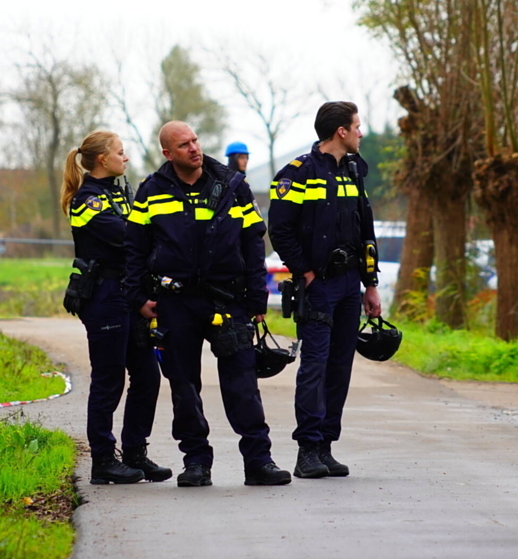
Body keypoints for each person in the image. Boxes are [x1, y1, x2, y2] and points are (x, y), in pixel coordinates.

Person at [124, 121, 290, 487]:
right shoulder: (151, 191)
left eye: (195, 140)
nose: (194, 148)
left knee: (242, 383)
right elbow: (134, 250)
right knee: (184, 387)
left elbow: (252, 241)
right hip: (176, 301)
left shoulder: (232, 185)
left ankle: (259, 462)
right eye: (184, 145)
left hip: (229, 298)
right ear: (168, 153)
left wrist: (256, 296)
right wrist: (139, 298)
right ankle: (196, 462)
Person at [268, 101, 382, 479]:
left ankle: (326, 446)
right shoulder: (298, 173)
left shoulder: (353, 172)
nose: (361, 133)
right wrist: (306, 271)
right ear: (341, 132)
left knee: (340, 367)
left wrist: (371, 285)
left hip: (351, 285)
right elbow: (280, 228)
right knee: (314, 366)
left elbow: (366, 231)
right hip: (318, 286)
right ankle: (307, 451)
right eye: (357, 126)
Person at [61, 131, 170, 485]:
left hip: (129, 295)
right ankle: (103, 460)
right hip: (105, 296)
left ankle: (135, 454)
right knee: (109, 380)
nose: (125, 158)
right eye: (120, 153)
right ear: (102, 159)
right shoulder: (88, 200)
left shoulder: (119, 193)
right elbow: (129, 238)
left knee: (148, 377)